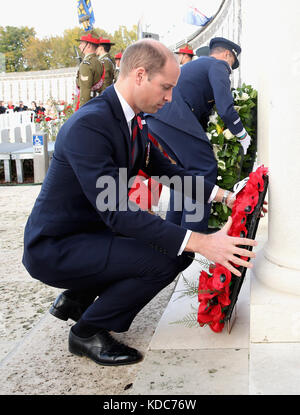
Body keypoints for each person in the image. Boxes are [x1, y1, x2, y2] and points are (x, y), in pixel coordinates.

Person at [22, 39, 257, 367]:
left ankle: (77, 298)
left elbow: (172, 174)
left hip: (92, 235)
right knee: (166, 260)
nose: (170, 97)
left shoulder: (132, 122)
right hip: (56, 246)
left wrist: (229, 198)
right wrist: (203, 242)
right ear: (139, 75)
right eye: (165, 87)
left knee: (174, 249)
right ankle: (87, 331)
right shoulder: (90, 125)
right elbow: (118, 212)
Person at [146, 37, 250, 233]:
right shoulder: (218, 65)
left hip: (159, 116)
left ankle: (175, 232)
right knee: (204, 169)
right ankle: (194, 237)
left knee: (185, 173)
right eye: (232, 64)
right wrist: (242, 133)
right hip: (172, 116)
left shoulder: (199, 66)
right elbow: (225, 107)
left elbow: (199, 110)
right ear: (228, 55)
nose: (230, 69)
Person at [75, 31, 104, 109]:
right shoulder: (99, 62)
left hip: (89, 105)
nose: (79, 46)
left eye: (82, 43)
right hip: (97, 103)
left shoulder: (86, 64)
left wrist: (81, 112)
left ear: (88, 46)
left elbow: (85, 90)